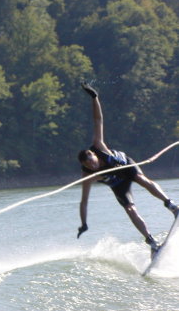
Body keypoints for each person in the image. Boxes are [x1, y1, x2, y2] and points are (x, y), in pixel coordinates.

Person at [76, 81, 178, 254]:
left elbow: (98, 120)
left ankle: (171, 206)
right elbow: (84, 201)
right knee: (130, 209)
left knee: (141, 179)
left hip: (126, 166)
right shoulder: (87, 175)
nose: (92, 164)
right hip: (117, 184)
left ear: (93, 154)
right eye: (88, 164)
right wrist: (84, 223)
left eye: (92, 160)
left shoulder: (98, 145)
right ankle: (152, 243)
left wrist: (94, 97)